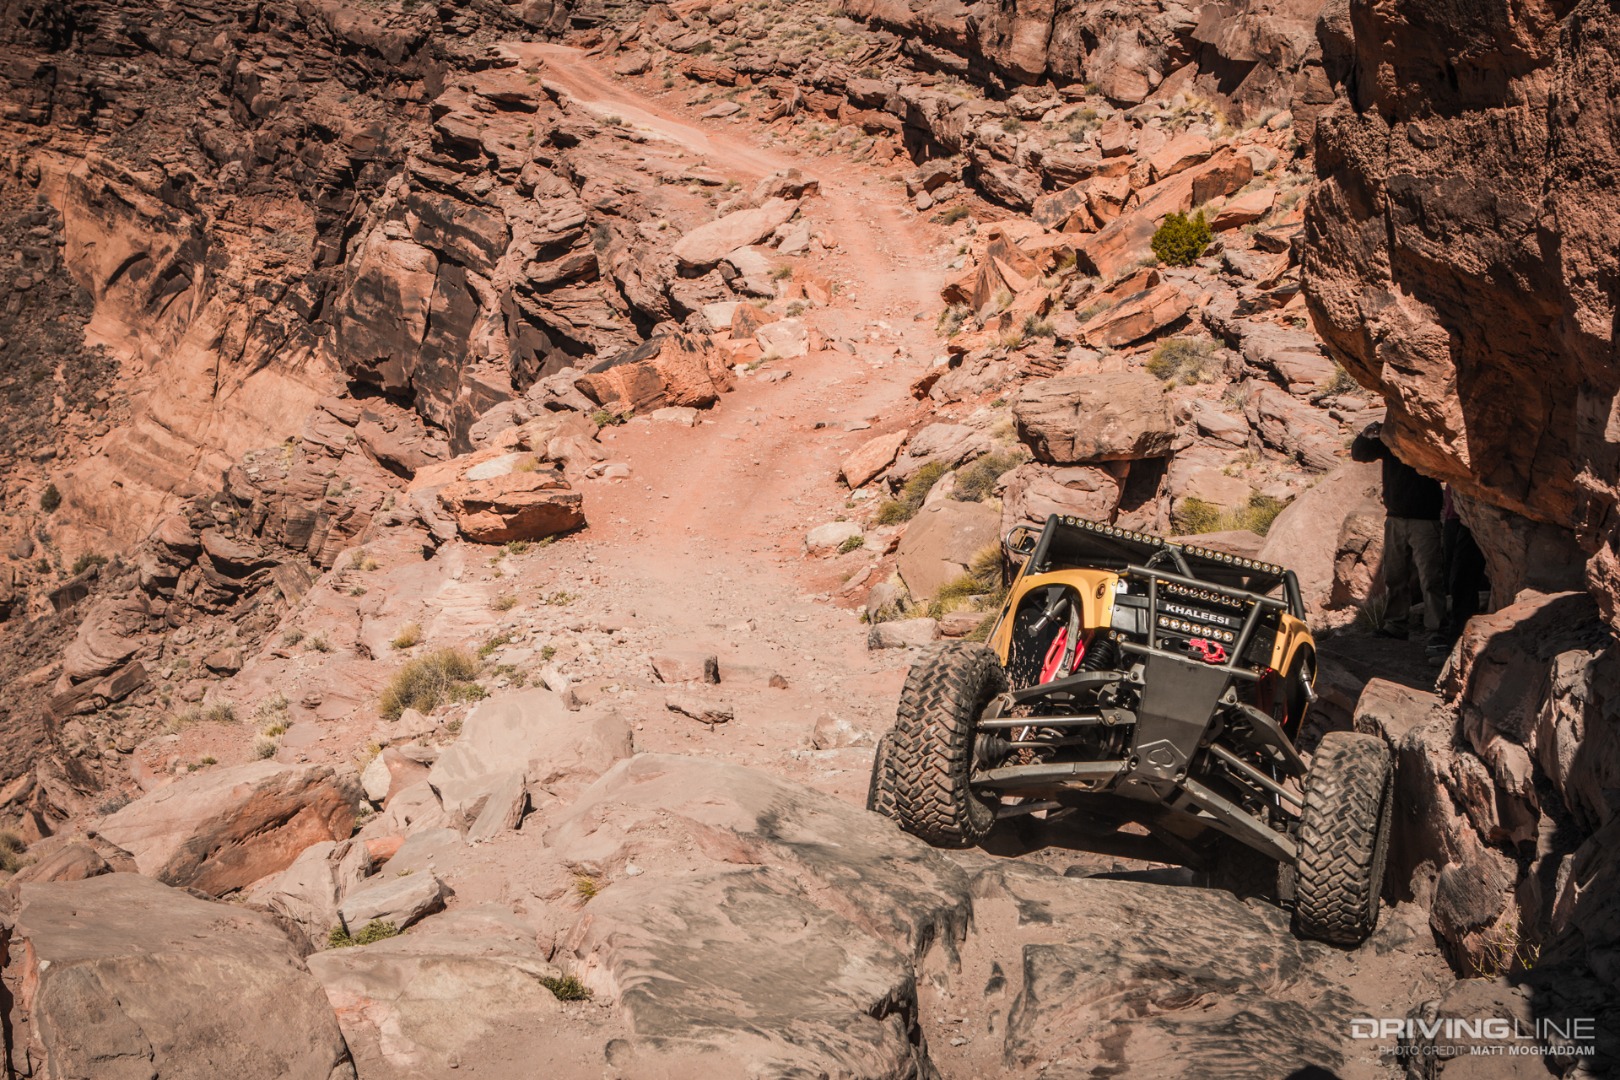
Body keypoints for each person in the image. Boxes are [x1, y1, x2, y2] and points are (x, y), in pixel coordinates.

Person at [1351, 421, 1445, 642]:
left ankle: (1436, 628)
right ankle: (1395, 624)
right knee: (1394, 574)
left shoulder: (1425, 438)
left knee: (1430, 576)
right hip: (1395, 517)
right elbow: (1360, 454)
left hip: (1424, 517)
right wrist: (1367, 435)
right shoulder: (1392, 440)